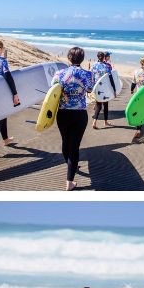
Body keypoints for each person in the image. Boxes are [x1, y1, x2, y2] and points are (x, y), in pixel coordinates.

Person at [52, 47, 94, 190]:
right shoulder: (88, 74)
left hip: (63, 113)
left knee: (65, 141)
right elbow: (89, 90)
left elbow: (53, 91)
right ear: (82, 59)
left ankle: (70, 164)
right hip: (79, 114)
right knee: (74, 146)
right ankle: (70, 181)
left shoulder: (59, 73)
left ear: (69, 58)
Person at [90, 51, 116, 129]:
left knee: (98, 105)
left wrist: (91, 88)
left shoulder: (94, 65)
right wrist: (114, 90)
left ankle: (95, 122)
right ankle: (105, 122)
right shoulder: (106, 67)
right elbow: (110, 79)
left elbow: (91, 77)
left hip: (96, 88)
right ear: (104, 57)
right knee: (105, 105)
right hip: (104, 88)